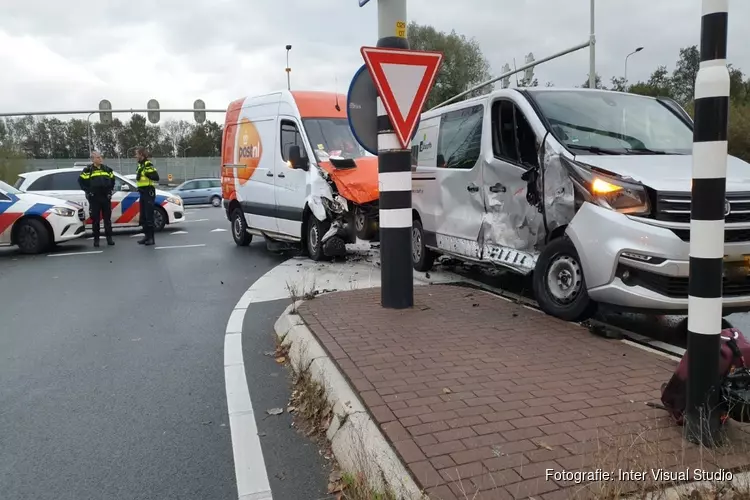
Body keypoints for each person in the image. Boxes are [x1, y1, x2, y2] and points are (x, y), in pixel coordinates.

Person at [78, 151, 115, 247]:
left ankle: (109, 238)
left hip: (105, 198)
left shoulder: (107, 170)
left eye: (100, 157)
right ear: (93, 159)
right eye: (98, 157)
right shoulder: (88, 170)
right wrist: (88, 192)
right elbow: (81, 182)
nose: (100, 159)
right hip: (94, 198)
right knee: (96, 220)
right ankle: (96, 239)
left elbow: (112, 182)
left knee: (107, 219)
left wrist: (110, 191)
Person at [134, 147, 160, 246]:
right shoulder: (140, 165)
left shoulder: (147, 164)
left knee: (149, 216)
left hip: (148, 191)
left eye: (137, 154)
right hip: (142, 192)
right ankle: (146, 236)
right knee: (143, 217)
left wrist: (146, 173)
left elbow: (156, 177)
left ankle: (151, 238)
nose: (135, 156)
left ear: (141, 155)